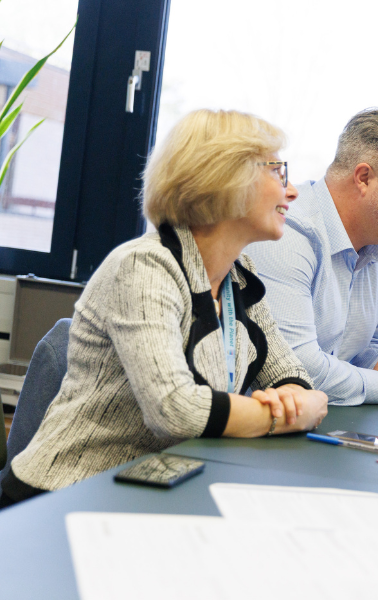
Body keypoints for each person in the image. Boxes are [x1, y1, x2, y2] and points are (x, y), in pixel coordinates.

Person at [0, 110, 328, 507]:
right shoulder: (143, 266)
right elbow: (174, 409)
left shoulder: (239, 275)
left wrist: (298, 398)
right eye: (277, 171)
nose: (291, 191)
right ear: (225, 178)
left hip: (154, 485)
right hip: (66, 494)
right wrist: (283, 415)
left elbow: (290, 375)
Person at [247, 108, 378, 406]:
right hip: (264, 425)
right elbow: (297, 368)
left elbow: (372, 347)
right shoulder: (286, 231)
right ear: (364, 178)